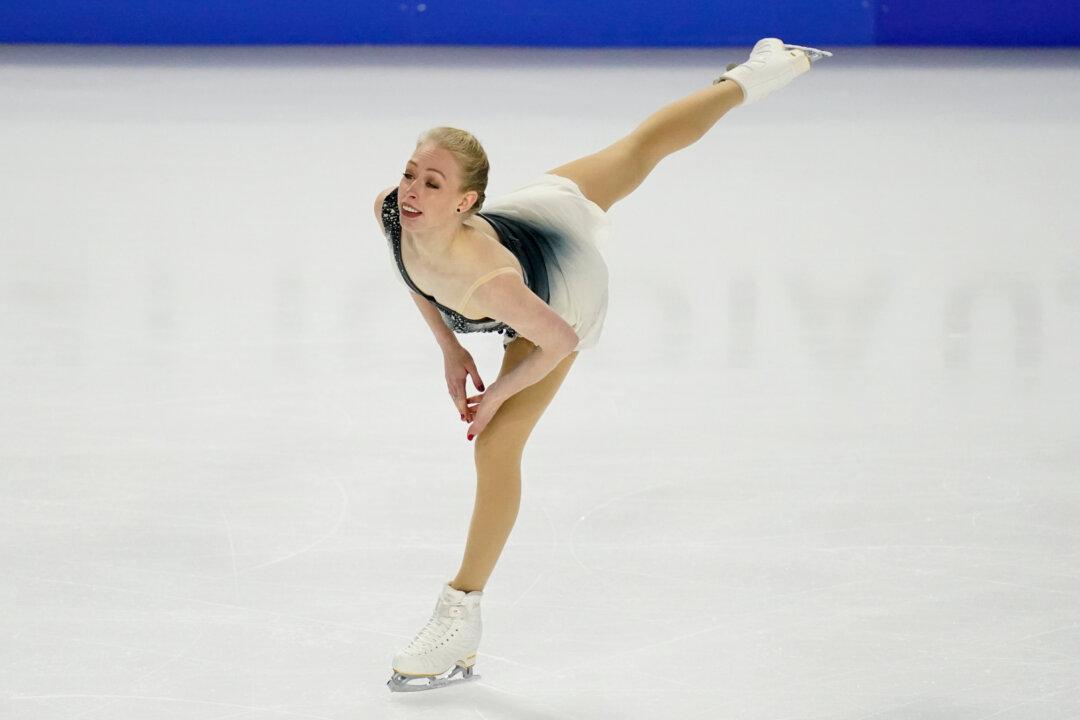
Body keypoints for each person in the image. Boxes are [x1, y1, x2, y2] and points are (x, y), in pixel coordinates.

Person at [380, 37, 832, 692]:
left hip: (559, 294)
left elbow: (558, 340)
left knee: (496, 447)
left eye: (432, 183)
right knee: (638, 148)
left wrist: (501, 391)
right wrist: (451, 348)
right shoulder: (394, 211)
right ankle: (759, 74)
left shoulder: (494, 280)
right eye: (410, 173)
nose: (412, 191)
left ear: (465, 203)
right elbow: (414, 270)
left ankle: (460, 614)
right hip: (535, 218)